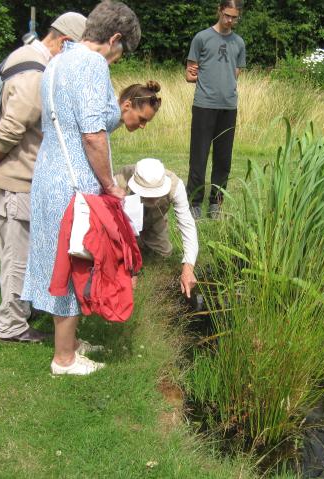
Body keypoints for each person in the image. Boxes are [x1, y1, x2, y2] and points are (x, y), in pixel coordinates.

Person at [21, 1, 152, 376]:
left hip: (48, 171)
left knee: (63, 254)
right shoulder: (92, 64)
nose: (119, 57)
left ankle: (70, 342)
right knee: (73, 259)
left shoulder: (59, 58)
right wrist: (110, 184)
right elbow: (93, 136)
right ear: (114, 38)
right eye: (122, 49)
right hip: (73, 179)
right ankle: (63, 359)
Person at [0, 12, 87, 344]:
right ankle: (13, 327)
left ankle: (22, 313)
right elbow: (8, 132)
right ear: (64, 42)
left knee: (13, 254)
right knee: (19, 259)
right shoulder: (36, 73)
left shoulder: (24, 54)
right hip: (14, 181)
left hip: (9, 180)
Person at [185, 0, 246, 219]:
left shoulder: (239, 43)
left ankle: (216, 203)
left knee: (223, 159)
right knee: (199, 157)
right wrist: (202, 78)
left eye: (234, 17)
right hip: (204, 105)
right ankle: (194, 203)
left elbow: (235, 72)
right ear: (219, 11)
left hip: (228, 106)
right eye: (227, 15)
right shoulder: (201, 38)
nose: (230, 20)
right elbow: (189, 74)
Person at [114, 158, 198, 298]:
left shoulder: (176, 186)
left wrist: (188, 267)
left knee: (163, 254)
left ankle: (143, 243)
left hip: (155, 219)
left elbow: (187, 225)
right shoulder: (120, 181)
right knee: (120, 258)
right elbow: (109, 223)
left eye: (156, 194)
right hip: (123, 222)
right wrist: (128, 268)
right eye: (147, 194)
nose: (152, 199)